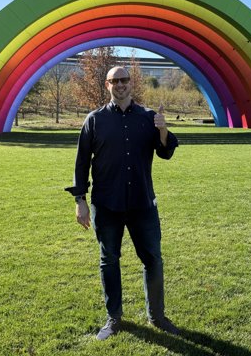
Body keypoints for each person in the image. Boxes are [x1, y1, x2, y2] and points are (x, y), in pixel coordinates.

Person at [65, 66, 180, 341]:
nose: (120, 84)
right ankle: (114, 318)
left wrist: (163, 130)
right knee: (109, 261)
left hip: (142, 204)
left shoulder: (148, 117)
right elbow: (81, 164)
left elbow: (165, 152)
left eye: (124, 79)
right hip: (106, 205)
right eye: (114, 80)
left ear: (131, 83)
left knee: (153, 259)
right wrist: (80, 201)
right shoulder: (94, 120)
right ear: (107, 85)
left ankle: (158, 316)